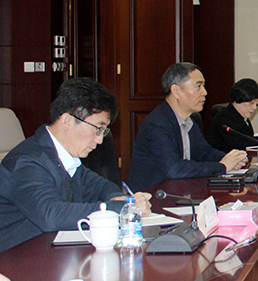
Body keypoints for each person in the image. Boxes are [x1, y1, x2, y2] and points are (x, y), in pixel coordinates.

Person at [0, 79, 152, 253]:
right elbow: (51, 215)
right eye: (97, 129)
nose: (99, 140)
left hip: (50, 253)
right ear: (67, 121)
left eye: (103, 131)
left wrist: (120, 200)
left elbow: (102, 187)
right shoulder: (27, 162)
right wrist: (120, 209)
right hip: (16, 259)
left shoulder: (67, 159)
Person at [128, 63, 248, 191]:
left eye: (204, 86)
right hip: (154, 196)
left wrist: (231, 159)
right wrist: (222, 166)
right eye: (198, 86)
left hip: (180, 191)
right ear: (176, 91)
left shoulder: (190, 121)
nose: (205, 92)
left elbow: (205, 153)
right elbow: (175, 169)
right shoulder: (156, 124)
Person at [207, 79, 258, 152]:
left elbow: (248, 139)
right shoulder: (223, 118)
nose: (254, 107)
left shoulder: (243, 118)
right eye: (251, 103)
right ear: (239, 98)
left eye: (256, 104)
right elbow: (238, 143)